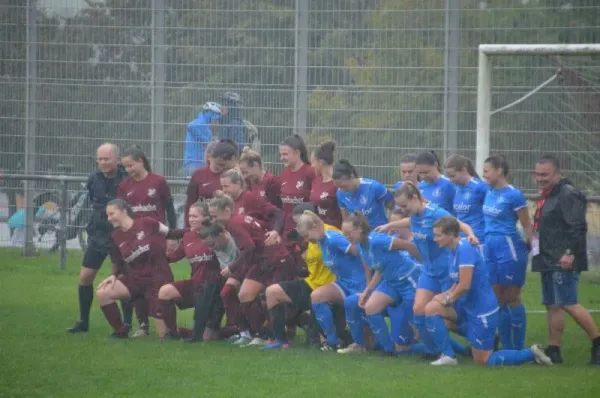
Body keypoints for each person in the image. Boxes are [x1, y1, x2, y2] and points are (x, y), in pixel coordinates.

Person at [426, 216, 553, 366]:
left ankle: (531, 353)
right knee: (431, 309)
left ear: (451, 234)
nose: (435, 239)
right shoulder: (451, 251)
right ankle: (448, 356)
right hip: (467, 307)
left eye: (438, 235)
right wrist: (444, 294)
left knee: (483, 360)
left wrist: (448, 299)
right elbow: (457, 282)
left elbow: (464, 285)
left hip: (481, 311)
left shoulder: (465, 249)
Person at [375, 182, 477, 358]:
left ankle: (475, 337)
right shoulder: (415, 214)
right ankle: (435, 351)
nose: (404, 209)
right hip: (428, 270)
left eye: (405, 206)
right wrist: (389, 226)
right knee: (418, 310)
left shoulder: (436, 213)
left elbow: (458, 225)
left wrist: (470, 235)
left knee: (449, 317)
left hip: (446, 270)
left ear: (415, 198)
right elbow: (411, 221)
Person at [531, 155, 600, 365]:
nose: (540, 179)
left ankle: (597, 342)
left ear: (557, 174)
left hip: (564, 259)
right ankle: (554, 350)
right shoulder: (548, 194)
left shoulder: (567, 194)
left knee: (569, 303)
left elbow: (578, 227)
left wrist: (569, 253)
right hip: (548, 257)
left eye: (545, 175)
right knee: (553, 304)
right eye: (538, 174)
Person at [207, 195, 295, 346]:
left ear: (227, 211)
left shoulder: (234, 223)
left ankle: (278, 335)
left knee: (273, 297)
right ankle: (260, 334)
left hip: (274, 259)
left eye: (215, 216)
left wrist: (232, 267)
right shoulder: (238, 219)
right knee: (245, 294)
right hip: (262, 260)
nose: (213, 220)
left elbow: (249, 247)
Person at [262, 203, 349, 350]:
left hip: (329, 287)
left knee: (319, 341)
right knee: (272, 292)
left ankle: (333, 337)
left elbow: (350, 256)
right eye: (297, 224)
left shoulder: (331, 234)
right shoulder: (308, 238)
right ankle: (280, 340)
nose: (299, 229)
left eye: (300, 224)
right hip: (311, 283)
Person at [117, 146, 178, 337]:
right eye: (125, 166)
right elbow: (121, 214)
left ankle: (168, 325)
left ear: (141, 161)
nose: (128, 170)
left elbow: (169, 209)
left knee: (160, 279)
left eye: (130, 165)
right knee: (137, 279)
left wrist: (172, 237)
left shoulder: (158, 181)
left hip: (156, 239)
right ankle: (143, 325)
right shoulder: (124, 186)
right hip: (134, 240)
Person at [67, 143, 127, 334]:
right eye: (99, 159)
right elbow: (92, 201)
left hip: (120, 235)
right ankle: (83, 321)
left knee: (121, 278)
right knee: (85, 277)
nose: (102, 163)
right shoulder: (93, 178)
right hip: (97, 234)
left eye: (106, 159)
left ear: (117, 159)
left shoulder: (126, 178)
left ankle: (127, 324)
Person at [96, 199, 176, 339]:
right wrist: (114, 275)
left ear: (123, 211)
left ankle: (190, 334)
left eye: (111, 214)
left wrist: (195, 232)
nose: (109, 218)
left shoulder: (147, 222)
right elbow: (117, 261)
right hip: (136, 280)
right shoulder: (115, 236)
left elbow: (170, 233)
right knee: (103, 293)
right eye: (107, 215)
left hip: (158, 278)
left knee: (164, 335)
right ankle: (120, 331)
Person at [343, 212, 421, 356]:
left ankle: (449, 350)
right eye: (345, 234)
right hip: (391, 282)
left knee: (418, 322)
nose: (347, 237)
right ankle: (388, 351)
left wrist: (425, 264)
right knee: (371, 307)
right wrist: (368, 290)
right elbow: (380, 268)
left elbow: (408, 246)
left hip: (408, 279)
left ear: (359, 228)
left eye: (349, 233)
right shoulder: (361, 247)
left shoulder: (378, 240)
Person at [295, 210, 368, 352]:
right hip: (344, 283)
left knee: (369, 341)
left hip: (359, 284)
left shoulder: (333, 238)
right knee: (317, 296)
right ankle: (332, 342)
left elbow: (362, 254)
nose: (306, 239)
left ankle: (359, 342)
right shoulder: (321, 241)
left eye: (306, 235)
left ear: (315, 227)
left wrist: (369, 283)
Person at [482, 155, 532, 351]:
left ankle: (518, 347)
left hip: (508, 246)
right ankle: (506, 345)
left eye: (487, 171)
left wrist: (531, 248)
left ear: (499, 171)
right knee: (497, 298)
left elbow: (527, 224)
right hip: (490, 246)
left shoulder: (514, 195)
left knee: (512, 296)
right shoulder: (488, 191)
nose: (484, 175)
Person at [159, 202, 224, 343]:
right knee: (165, 291)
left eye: (195, 216)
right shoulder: (188, 236)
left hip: (215, 287)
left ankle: (232, 330)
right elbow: (174, 256)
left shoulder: (216, 233)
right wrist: (155, 256)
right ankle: (173, 333)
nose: (191, 219)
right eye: (189, 216)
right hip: (195, 284)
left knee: (209, 338)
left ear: (206, 217)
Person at [184, 139, 238, 227]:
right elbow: (190, 203)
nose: (221, 167)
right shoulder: (198, 174)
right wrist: (188, 227)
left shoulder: (229, 175)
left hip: (222, 223)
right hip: (203, 223)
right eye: (218, 163)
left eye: (223, 164)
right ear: (209, 157)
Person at [219, 168, 284, 232]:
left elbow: (277, 212)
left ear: (238, 184)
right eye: (222, 187)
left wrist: (276, 231)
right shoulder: (227, 202)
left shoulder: (250, 198)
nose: (224, 190)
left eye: (226, 186)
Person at [334, 159, 394, 229]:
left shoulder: (374, 187)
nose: (342, 190)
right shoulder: (340, 193)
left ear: (352, 176)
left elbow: (393, 207)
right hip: (358, 237)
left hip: (378, 234)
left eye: (343, 186)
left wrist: (389, 228)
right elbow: (346, 219)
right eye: (338, 187)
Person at [279, 134, 316, 241]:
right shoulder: (284, 174)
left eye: (285, 154)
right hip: (288, 233)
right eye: (281, 154)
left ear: (297, 153)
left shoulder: (310, 172)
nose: (282, 158)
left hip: (305, 234)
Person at [444, 154, 487, 244]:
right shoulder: (456, 188)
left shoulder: (480, 187)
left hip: (478, 239)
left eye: (453, 176)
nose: (451, 180)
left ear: (464, 169)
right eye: (449, 177)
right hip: (461, 239)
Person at [183, 102, 225, 177]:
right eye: (216, 115)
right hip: (192, 164)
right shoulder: (198, 124)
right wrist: (207, 142)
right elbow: (191, 126)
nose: (217, 119)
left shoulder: (207, 129)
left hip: (201, 163)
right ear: (209, 113)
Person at [310, 141, 343, 229]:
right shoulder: (316, 181)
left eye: (313, 162)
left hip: (334, 233)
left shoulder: (338, 183)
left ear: (320, 162)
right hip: (317, 233)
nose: (312, 166)